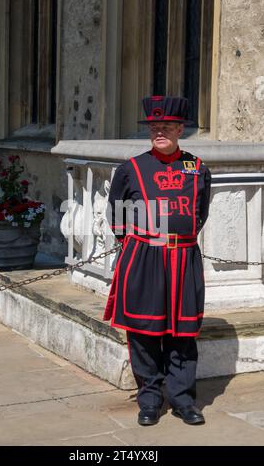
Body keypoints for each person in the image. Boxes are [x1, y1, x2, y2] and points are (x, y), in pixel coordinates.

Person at [103, 96, 211, 426]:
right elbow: (116, 214)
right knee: (144, 333)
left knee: (182, 334)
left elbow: (200, 213)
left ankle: (182, 400)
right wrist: (142, 244)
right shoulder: (130, 169)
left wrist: (176, 239)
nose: (159, 132)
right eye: (154, 127)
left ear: (181, 129)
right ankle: (149, 400)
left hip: (183, 259)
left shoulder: (197, 168)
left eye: (166, 127)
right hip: (144, 259)